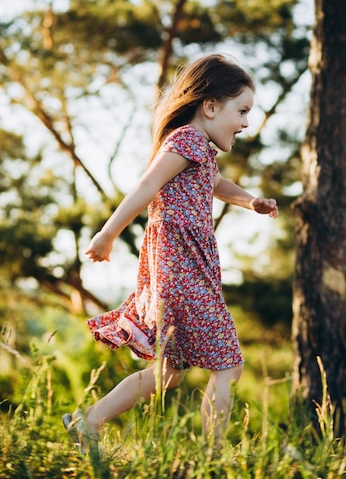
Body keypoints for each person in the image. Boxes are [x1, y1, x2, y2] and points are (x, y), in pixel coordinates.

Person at [63, 53, 278, 452]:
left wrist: (252, 202)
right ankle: (213, 458)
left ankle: (87, 422)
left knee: (168, 373)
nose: (247, 123)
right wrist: (108, 234)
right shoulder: (187, 140)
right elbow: (146, 186)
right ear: (210, 106)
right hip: (182, 271)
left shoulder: (200, 150)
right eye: (242, 111)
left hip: (181, 270)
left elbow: (217, 183)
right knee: (228, 364)